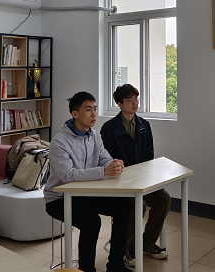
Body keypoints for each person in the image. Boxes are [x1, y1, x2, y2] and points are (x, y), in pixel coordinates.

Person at [44, 91, 133, 272]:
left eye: (95, 109)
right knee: (92, 222)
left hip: (84, 193)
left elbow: (104, 158)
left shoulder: (95, 136)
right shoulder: (59, 142)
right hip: (59, 198)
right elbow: (68, 175)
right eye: (88, 109)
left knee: (125, 205)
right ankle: (86, 269)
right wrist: (103, 171)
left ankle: (116, 265)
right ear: (75, 114)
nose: (94, 114)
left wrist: (114, 164)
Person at [100, 84, 171, 267]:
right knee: (133, 204)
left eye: (136, 99)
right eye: (129, 100)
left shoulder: (144, 125)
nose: (135, 103)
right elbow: (105, 159)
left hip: (141, 180)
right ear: (119, 104)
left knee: (163, 198)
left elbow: (149, 155)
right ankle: (126, 248)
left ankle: (145, 244)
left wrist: (142, 176)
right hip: (119, 182)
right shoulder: (109, 128)